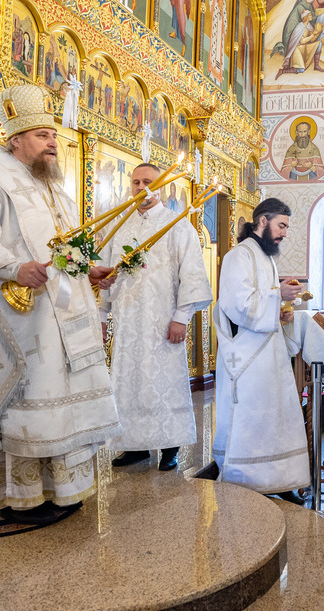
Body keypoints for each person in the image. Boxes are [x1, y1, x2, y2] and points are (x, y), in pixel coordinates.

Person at [0, 83, 120, 524]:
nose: (53, 142)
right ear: (15, 139)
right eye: (42, 135)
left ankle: (63, 488)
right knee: (27, 403)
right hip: (17, 321)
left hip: (61, 322)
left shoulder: (53, 189)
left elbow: (66, 248)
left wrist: (88, 270)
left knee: (61, 400)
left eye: (54, 135)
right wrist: (14, 267)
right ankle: (23, 494)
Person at [100, 163, 212, 472]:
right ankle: (133, 445)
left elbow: (191, 275)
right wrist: (101, 314)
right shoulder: (119, 226)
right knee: (130, 382)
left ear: (160, 186)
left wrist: (181, 317)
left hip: (162, 322)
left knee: (164, 382)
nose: (140, 187)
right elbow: (106, 273)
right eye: (135, 182)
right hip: (127, 322)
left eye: (147, 181)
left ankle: (169, 446)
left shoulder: (177, 225)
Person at [213, 197, 310, 504]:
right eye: (281, 225)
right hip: (248, 356)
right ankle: (249, 478)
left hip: (269, 354)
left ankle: (279, 479)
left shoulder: (266, 257)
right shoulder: (238, 256)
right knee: (255, 417)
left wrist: (282, 310)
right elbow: (236, 304)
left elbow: (262, 301)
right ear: (263, 221)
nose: (284, 233)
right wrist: (276, 296)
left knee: (275, 418)